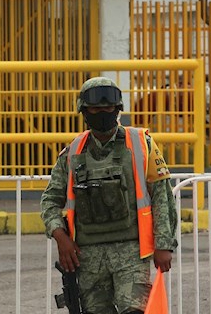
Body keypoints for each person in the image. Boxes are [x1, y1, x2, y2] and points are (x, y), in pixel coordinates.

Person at [40, 76, 179, 314]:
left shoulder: (141, 144)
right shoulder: (72, 152)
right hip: (88, 258)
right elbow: (49, 201)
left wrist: (163, 244)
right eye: (95, 109)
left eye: (108, 107)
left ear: (117, 109)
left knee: (134, 310)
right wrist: (61, 237)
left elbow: (161, 197)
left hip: (131, 253)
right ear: (84, 112)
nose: (102, 112)